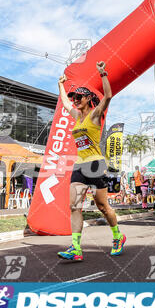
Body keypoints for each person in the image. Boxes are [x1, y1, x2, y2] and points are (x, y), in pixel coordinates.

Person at [56, 61, 125, 262]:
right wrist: (61, 84)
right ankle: (76, 248)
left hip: (95, 165)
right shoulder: (76, 116)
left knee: (103, 207)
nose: (75, 100)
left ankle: (118, 236)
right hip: (80, 165)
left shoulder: (95, 115)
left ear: (87, 99)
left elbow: (109, 96)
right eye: (74, 97)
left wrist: (103, 74)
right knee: (74, 206)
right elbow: (64, 102)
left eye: (78, 97)